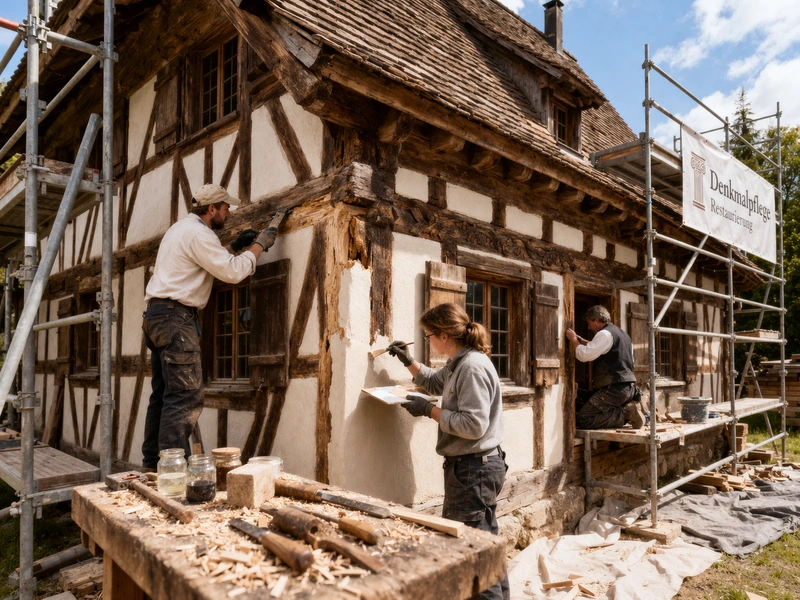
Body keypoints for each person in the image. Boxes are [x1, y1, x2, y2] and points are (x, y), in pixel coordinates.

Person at [140, 184, 279, 469]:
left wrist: (235, 247)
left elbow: (202, 264)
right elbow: (233, 271)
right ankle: (174, 469)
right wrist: (259, 246)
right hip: (175, 318)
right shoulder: (200, 234)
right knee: (185, 396)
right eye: (226, 208)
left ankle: (153, 463)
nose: (229, 213)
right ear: (212, 208)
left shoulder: (180, 230)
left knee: (164, 395)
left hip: (157, 317)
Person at [387, 303, 509, 600]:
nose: (427, 340)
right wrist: (408, 361)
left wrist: (430, 410)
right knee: (484, 546)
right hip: (475, 468)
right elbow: (433, 382)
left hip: (474, 470)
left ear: (443, 335)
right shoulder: (459, 362)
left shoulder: (472, 367)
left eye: (428, 336)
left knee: (470, 552)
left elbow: (473, 425)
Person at [565, 305, 644, 430]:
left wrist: (574, 340)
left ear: (596, 320)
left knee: (584, 418)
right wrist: (581, 339)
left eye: (589, 323)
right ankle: (627, 411)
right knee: (582, 397)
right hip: (628, 388)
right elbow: (598, 346)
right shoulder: (623, 335)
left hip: (613, 389)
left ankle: (626, 413)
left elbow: (583, 355)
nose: (589, 327)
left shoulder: (604, 334)